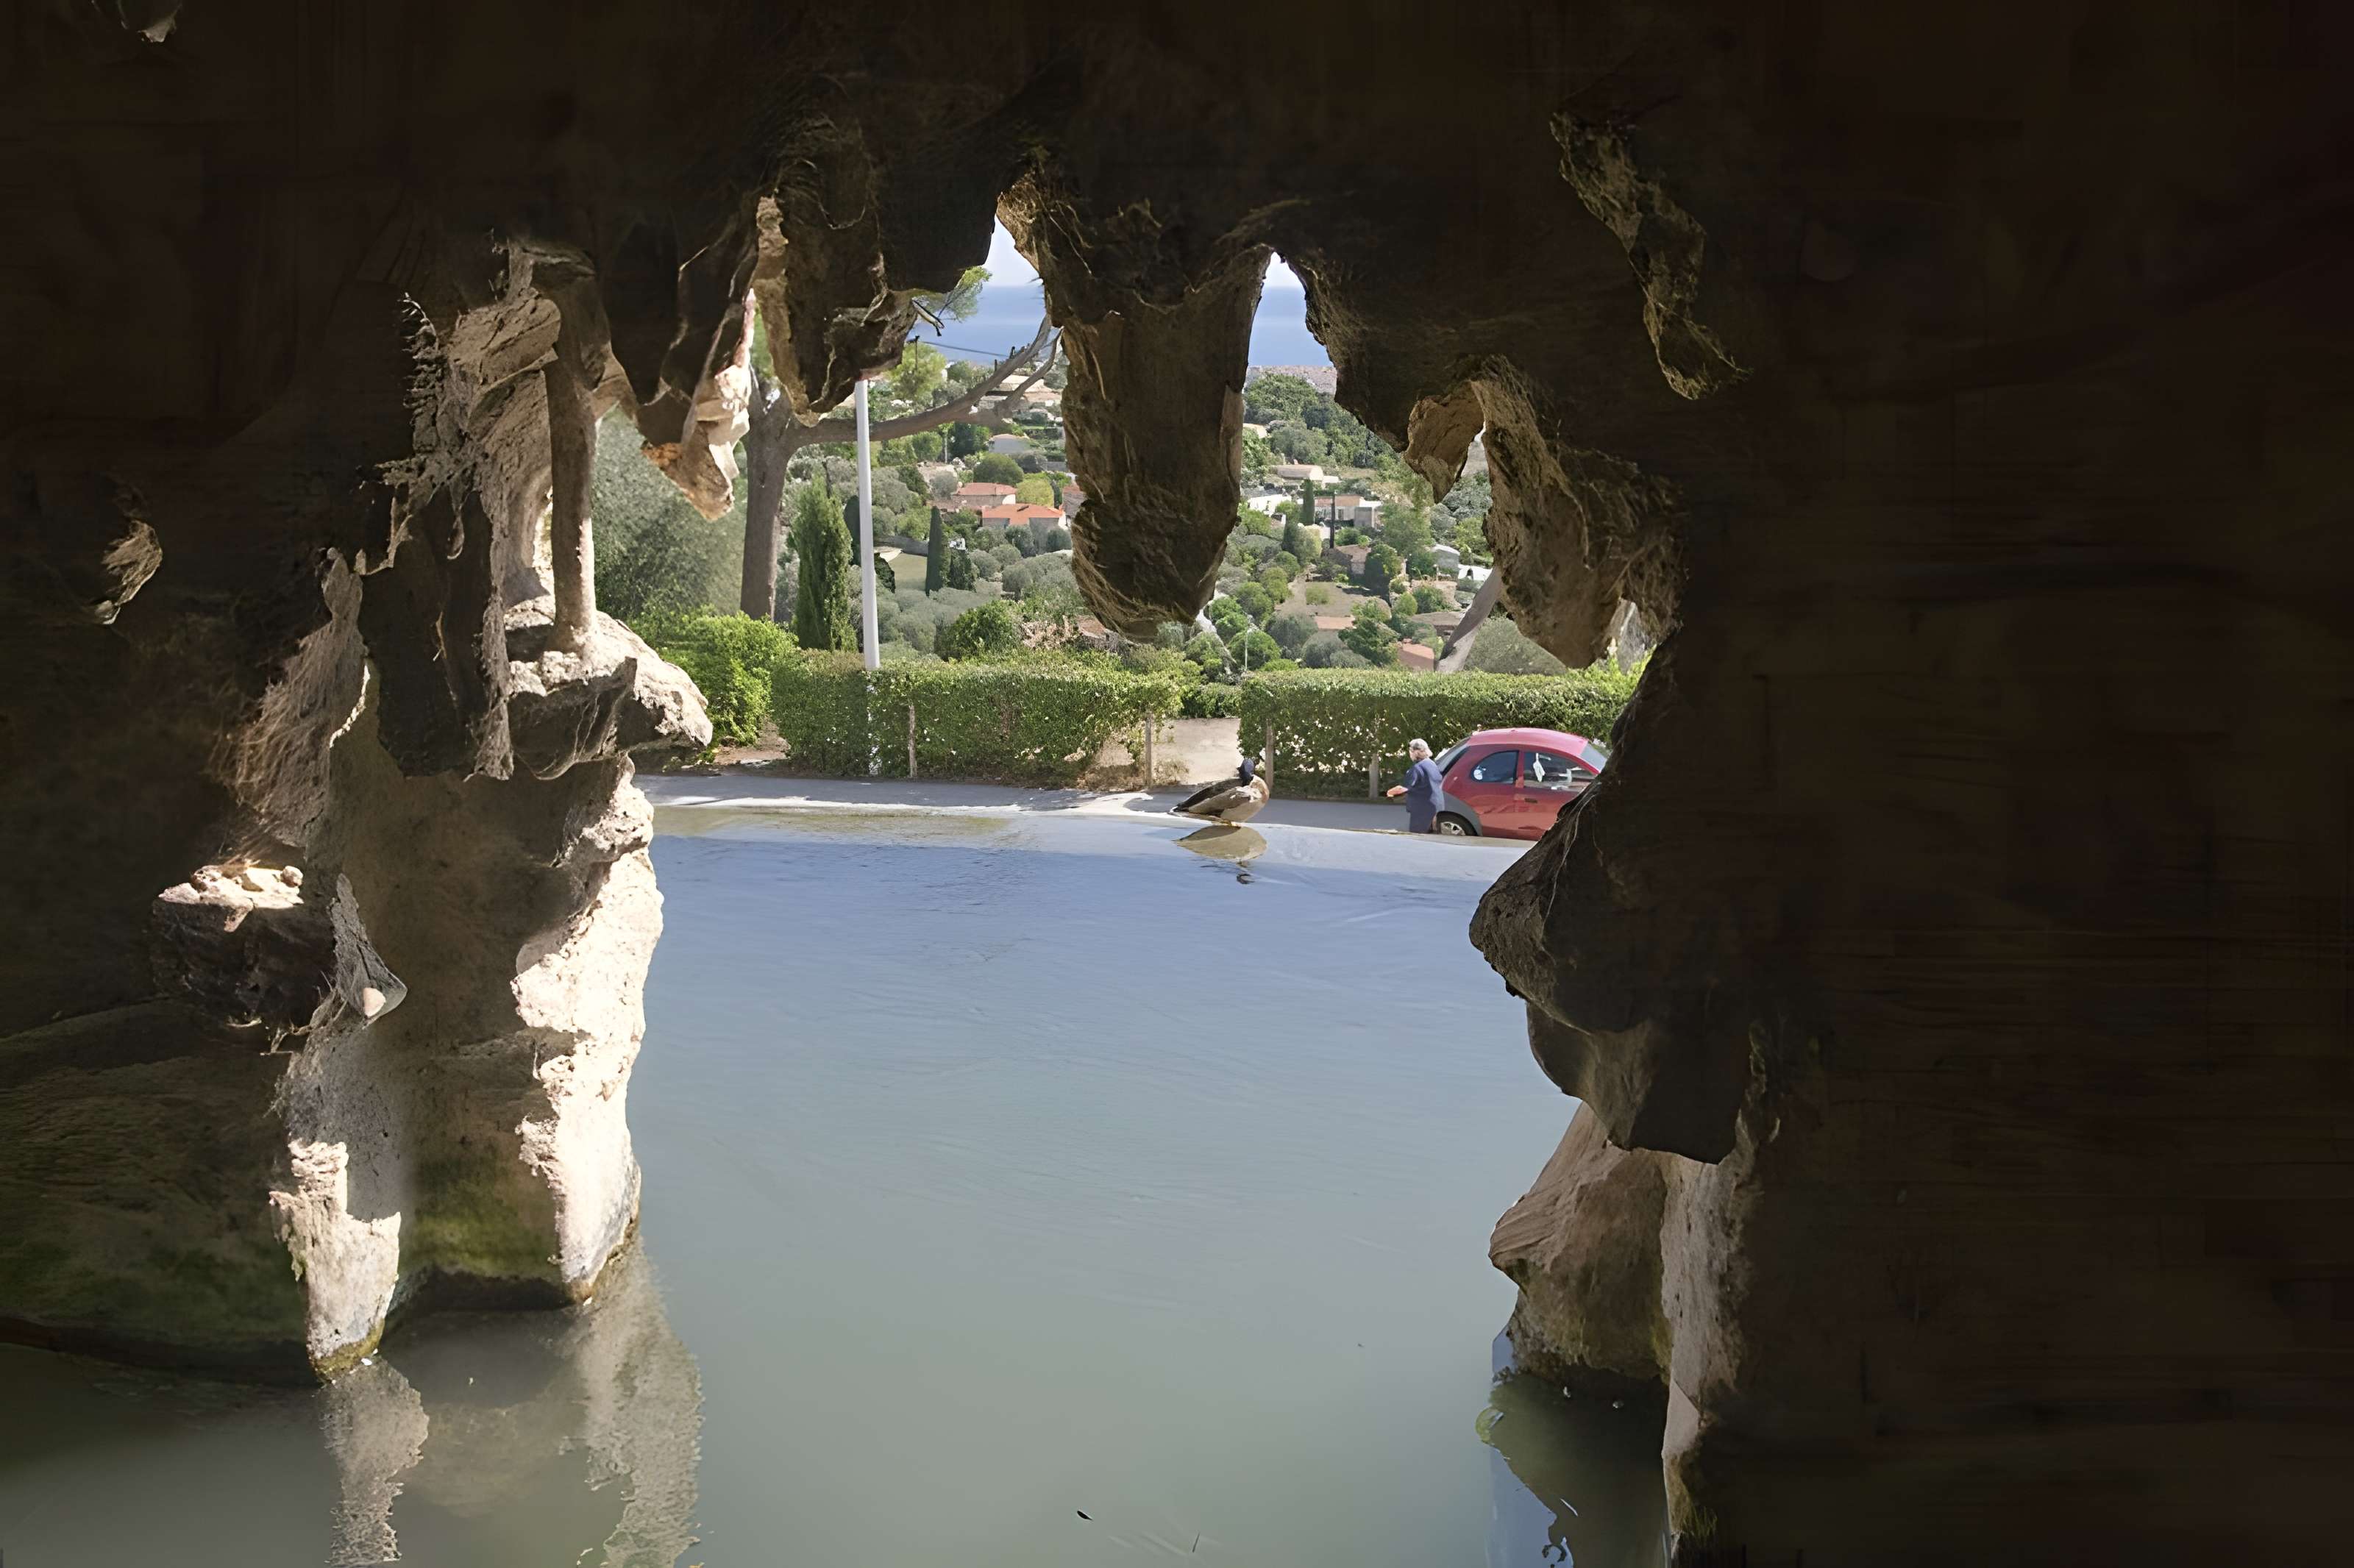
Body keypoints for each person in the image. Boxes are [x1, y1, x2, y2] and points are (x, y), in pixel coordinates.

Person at [1386, 737, 1445, 833]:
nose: (1410, 754)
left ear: (1417, 752)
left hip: (1422, 810)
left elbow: (1404, 788)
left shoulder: (1417, 768)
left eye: (1411, 751)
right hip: (1437, 808)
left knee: (1418, 837)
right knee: (1433, 837)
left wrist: (1390, 792)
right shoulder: (1432, 764)